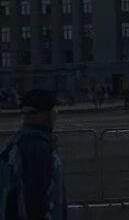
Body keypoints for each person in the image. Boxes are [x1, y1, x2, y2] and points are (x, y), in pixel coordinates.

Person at [0, 90, 67, 220]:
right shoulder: (37, 150)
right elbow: (35, 204)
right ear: (43, 114)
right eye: (53, 109)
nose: (56, 114)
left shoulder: (15, 144)